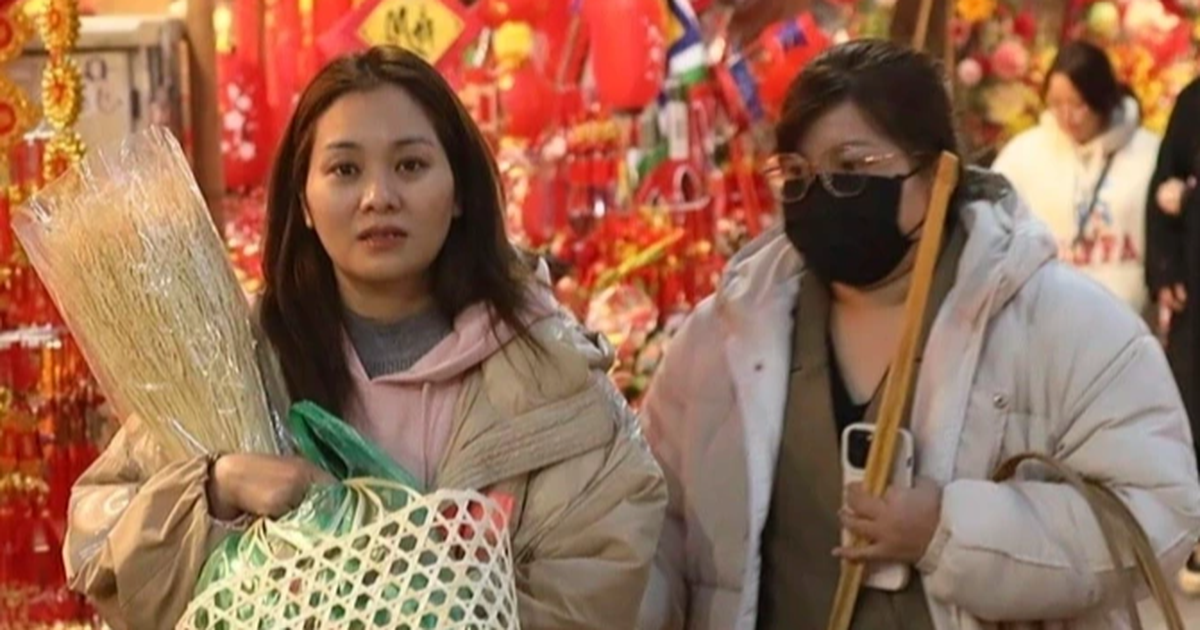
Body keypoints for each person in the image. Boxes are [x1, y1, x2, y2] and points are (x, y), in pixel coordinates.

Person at [63, 46, 666, 630]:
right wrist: (217, 488)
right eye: (345, 169)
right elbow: (98, 541)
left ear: (458, 192)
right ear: (303, 199)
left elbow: (601, 585)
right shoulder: (232, 365)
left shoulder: (557, 382)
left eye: (410, 165)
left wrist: (414, 595)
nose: (379, 198)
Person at [637, 39, 1200, 630]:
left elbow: (1158, 513)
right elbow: (653, 529)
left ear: (936, 176)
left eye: (852, 168)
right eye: (798, 173)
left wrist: (953, 531)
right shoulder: (721, 339)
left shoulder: (1067, 325)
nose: (822, 193)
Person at [992, 40, 1160, 315]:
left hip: (1126, 321)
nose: (1068, 117)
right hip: (1048, 318)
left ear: (1102, 99)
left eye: (1078, 104)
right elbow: (993, 225)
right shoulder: (1024, 154)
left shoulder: (1148, 153)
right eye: (1057, 104)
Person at [1147, 74, 1200, 594]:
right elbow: (1161, 185)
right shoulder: (1192, 102)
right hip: (1195, 292)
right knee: (1192, 410)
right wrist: (1164, 271)